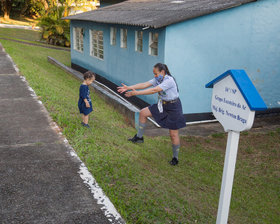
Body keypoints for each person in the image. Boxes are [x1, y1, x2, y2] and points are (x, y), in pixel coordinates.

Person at [117, 63, 186, 166]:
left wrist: (136, 93)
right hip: (163, 105)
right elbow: (145, 84)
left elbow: (154, 90)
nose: (154, 76)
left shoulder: (169, 80)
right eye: (154, 74)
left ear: (162, 72)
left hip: (174, 107)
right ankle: (139, 137)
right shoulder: (158, 79)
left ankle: (175, 158)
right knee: (143, 113)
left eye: (155, 73)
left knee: (173, 134)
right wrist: (129, 87)